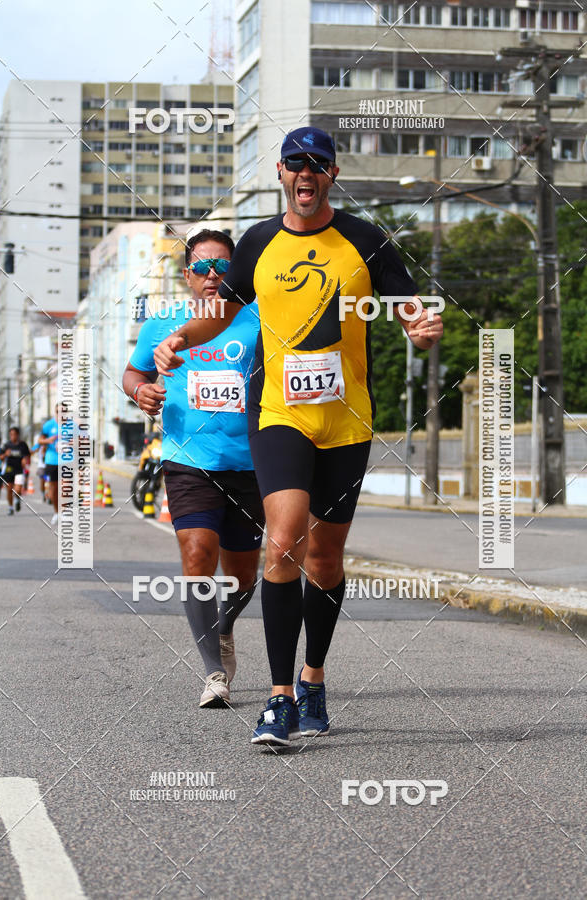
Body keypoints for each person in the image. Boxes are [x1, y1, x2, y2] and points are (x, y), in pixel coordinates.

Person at [154, 127, 444, 747]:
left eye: (317, 165)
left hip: (346, 418)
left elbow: (407, 309)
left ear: (332, 174)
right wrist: (181, 338)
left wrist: (420, 329)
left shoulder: (366, 240)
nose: (305, 174)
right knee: (282, 544)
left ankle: (314, 677)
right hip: (278, 412)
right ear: (282, 174)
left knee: (325, 557)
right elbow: (221, 313)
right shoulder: (258, 242)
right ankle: (279, 699)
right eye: (294, 164)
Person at [123, 229, 264, 709]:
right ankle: (214, 672)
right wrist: (140, 392)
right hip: (188, 460)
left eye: (222, 267)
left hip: (252, 463)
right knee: (197, 553)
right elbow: (134, 373)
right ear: (187, 275)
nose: (212, 277)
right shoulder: (164, 323)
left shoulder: (259, 319)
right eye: (202, 268)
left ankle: (223, 628)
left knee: (242, 576)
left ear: (236, 274)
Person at [1, 426, 31, 516]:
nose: (12, 436)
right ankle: (10, 508)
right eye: (11, 435)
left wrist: (25, 459)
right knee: (9, 490)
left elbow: (28, 455)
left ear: (18, 435)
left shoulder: (23, 445)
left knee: (17, 489)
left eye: (14, 434)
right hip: (9, 469)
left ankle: (17, 499)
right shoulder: (7, 445)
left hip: (19, 470)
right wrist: (6, 454)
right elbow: (0, 457)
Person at [39, 404, 60, 525]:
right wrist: (49, 440)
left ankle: (65, 512)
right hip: (51, 461)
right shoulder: (48, 425)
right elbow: (40, 440)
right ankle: (57, 512)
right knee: (53, 490)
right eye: (58, 411)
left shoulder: (71, 425)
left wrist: (74, 443)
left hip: (67, 461)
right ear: (55, 411)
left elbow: (82, 440)